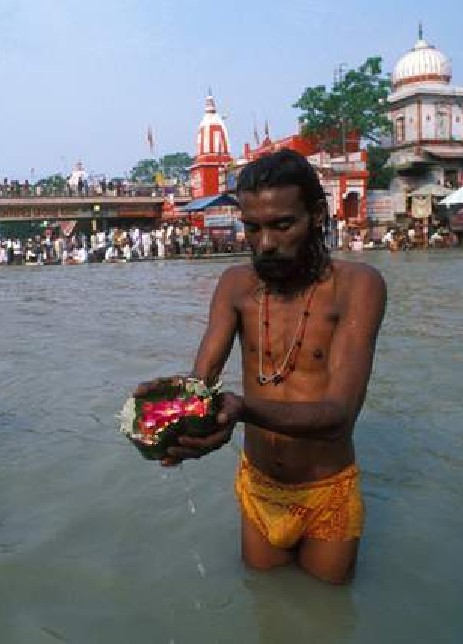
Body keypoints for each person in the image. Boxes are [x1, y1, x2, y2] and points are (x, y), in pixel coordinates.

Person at [136, 149, 387, 583]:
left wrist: (242, 409)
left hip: (327, 491)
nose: (265, 243)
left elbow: (339, 417)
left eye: (282, 225)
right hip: (259, 488)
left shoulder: (358, 285)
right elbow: (202, 384)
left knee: (327, 614)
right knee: (267, 609)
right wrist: (175, 413)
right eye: (252, 227)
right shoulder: (235, 285)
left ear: (316, 215)